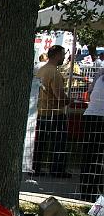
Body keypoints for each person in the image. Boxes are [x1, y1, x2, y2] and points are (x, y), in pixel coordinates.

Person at [32, 45, 71, 177]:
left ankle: (36, 167)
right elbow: (59, 95)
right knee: (58, 142)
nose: (64, 57)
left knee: (40, 142)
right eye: (63, 54)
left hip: (42, 110)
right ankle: (57, 169)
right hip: (54, 112)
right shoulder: (54, 73)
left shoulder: (42, 70)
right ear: (57, 55)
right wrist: (68, 100)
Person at [80, 70, 104, 201]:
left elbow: (89, 95)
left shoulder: (99, 75)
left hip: (90, 116)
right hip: (99, 118)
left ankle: (86, 192)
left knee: (89, 156)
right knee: (97, 158)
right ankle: (95, 192)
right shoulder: (99, 75)